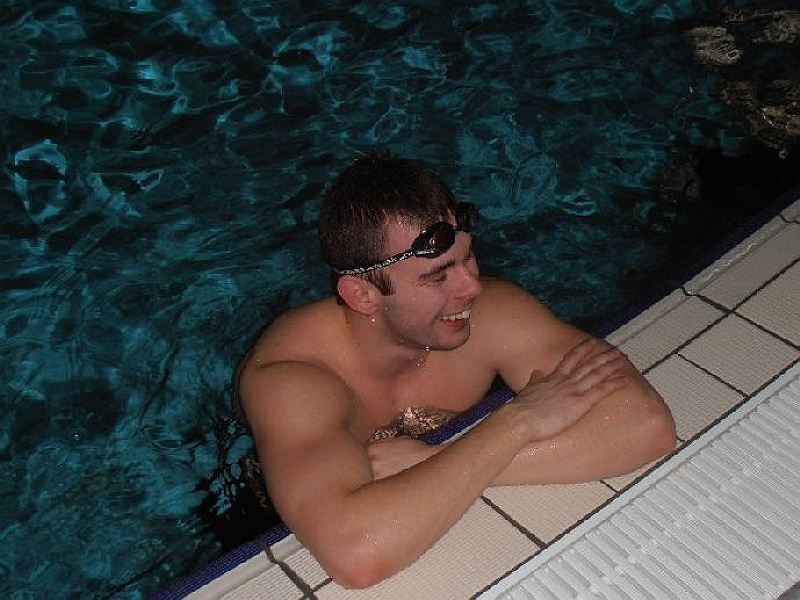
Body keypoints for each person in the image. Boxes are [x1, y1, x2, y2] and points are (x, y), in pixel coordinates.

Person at [236, 152, 676, 588]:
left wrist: (437, 458)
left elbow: (646, 426)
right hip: (262, 504)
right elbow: (358, 555)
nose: (472, 287)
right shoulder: (294, 378)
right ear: (363, 295)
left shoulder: (492, 315)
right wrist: (517, 421)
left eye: (468, 258)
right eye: (437, 277)